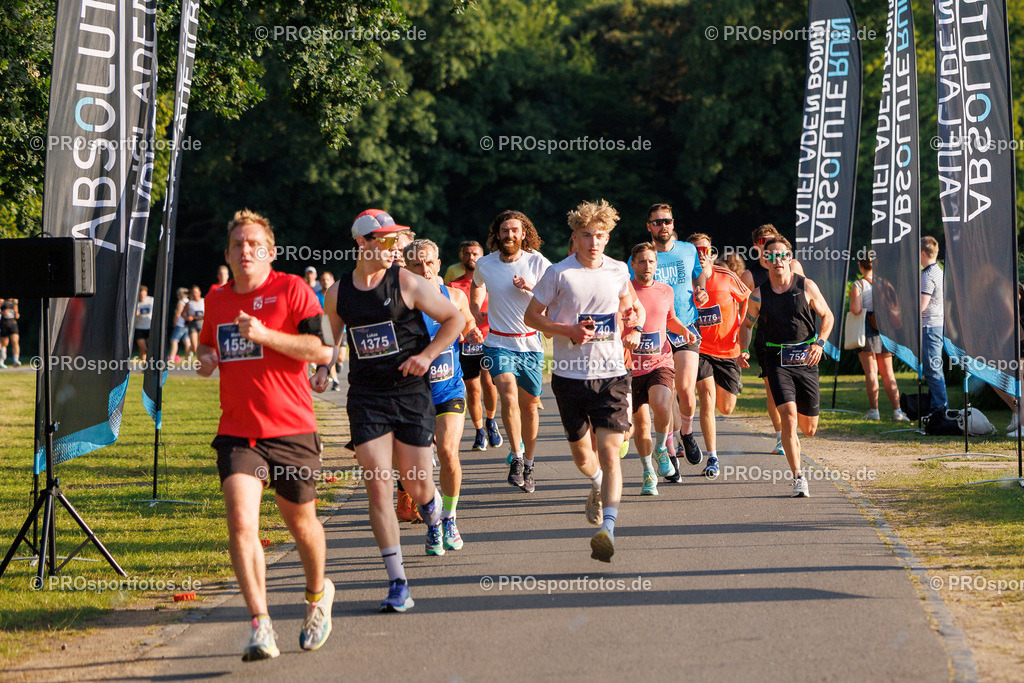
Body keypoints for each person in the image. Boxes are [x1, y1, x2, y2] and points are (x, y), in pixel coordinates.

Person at [196, 209, 336, 661]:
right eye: (238, 244)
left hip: (292, 428)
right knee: (241, 523)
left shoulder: (293, 289)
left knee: (301, 524)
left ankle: (317, 597)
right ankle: (260, 624)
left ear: (270, 252)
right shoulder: (216, 299)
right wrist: (205, 358)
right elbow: (207, 342)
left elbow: (324, 350)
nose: (246, 251)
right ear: (227, 254)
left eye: (255, 244)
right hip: (238, 432)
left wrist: (266, 335)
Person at [313, 209, 463, 612]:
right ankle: (398, 582)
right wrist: (323, 369)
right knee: (378, 484)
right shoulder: (338, 292)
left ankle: (434, 513)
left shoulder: (407, 282)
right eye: (387, 240)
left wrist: (427, 356)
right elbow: (331, 338)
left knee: (416, 484)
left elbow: (455, 318)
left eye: (398, 239)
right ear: (362, 243)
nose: (396, 247)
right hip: (366, 397)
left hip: (410, 393)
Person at [526, 199, 641, 561]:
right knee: (582, 457)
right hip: (569, 377)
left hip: (611, 375)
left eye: (600, 235)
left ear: (608, 238)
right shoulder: (559, 274)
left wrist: (633, 323)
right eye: (587, 235)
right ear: (575, 238)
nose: (594, 242)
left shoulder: (619, 270)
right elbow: (532, 316)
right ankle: (596, 484)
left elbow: (630, 305)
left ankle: (608, 529)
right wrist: (568, 330)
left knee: (610, 453)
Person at [405, 239, 484, 552]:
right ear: (406, 268)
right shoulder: (401, 305)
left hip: (448, 389)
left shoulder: (454, 296)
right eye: (416, 264)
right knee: (416, 469)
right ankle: (433, 519)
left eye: (429, 263)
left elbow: (467, 323)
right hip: (412, 396)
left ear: (438, 264)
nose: (424, 269)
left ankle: (449, 518)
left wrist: (472, 332)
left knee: (449, 452)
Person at [739, 236, 834, 498]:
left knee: (809, 428)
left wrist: (820, 343)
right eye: (771, 256)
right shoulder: (758, 294)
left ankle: (796, 446)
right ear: (765, 260)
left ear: (789, 258)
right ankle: (799, 478)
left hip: (806, 359)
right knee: (788, 418)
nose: (777, 260)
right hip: (776, 360)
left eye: (782, 255)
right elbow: (746, 325)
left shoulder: (806, 286)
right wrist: (744, 349)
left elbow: (827, 315)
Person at [470, 210, 552, 491]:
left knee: (529, 406)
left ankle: (529, 463)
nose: (509, 235)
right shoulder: (485, 263)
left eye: (515, 230)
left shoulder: (538, 262)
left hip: (530, 343)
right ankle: (516, 456)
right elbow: (477, 284)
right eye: (504, 230)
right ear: (497, 234)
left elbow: (556, 295)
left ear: (524, 233)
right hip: (497, 342)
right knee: (507, 394)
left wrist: (530, 287)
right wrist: (475, 307)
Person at [635, 203, 708, 481]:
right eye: (656, 222)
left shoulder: (688, 250)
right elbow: (632, 291)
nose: (662, 226)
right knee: (666, 396)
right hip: (656, 333)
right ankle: (669, 450)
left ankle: (686, 433)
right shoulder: (644, 256)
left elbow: (699, 274)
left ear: (673, 223)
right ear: (649, 227)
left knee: (686, 389)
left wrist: (701, 290)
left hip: (685, 325)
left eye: (666, 221)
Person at [628, 243, 696, 495]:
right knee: (641, 425)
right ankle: (648, 471)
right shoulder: (624, 291)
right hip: (631, 367)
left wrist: (684, 330)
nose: (647, 266)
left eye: (651, 261)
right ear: (633, 264)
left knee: (662, 403)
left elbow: (670, 319)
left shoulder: (665, 290)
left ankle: (660, 449)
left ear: (657, 264)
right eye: (642, 261)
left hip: (660, 362)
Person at [688, 233, 750, 478]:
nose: (701, 255)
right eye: (696, 251)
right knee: (706, 397)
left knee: (726, 408)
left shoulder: (727, 276)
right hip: (699, 348)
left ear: (712, 253)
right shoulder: (685, 281)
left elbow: (747, 298)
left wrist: (741, 326)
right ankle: (712, 457)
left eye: (705, 250)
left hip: (727, 350)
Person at [740, 224, 806, 455]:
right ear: (757, 246)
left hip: (796, 340)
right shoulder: (749, 275)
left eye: (772, 240)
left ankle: (794, 427)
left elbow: (804, 297)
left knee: (798, 390)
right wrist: (742, 345)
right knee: (772, 389)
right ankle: (781, 436)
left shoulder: (793, 266)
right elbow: (743, 312)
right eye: (763, 242)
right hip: (767, 340)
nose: (768, 245)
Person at [448, 240, 502, 451]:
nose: (471, 257)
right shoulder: (453, 286)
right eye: (467, 254)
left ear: (482, 257)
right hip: (466, 342)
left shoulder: (492, 282)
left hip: (490, 339)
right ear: (461, 257)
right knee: (472, 389)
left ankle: (491, 421)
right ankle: (479, 430)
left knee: (488, 383)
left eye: (475, 254)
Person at [848, 258, 910, 422]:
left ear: (860, 265)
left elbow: (855, 309)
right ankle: (897, 411)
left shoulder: (859, 285)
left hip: (867, 329)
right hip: (885, 330)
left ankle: (874, 411)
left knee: (871, 372)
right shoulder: (885, 283)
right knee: (888, 373)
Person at [920, 236, 947, 416]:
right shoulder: (938, 271)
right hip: (936, 325)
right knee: (933, 369)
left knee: (933, 370)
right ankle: (936, 408)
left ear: (923, 253)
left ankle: (940, 410)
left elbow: (921, 306)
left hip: (930, 327)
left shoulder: (928, 276)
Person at [168, 287, 191, 362]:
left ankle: (172, 357)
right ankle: (188, 357)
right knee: (186, 340)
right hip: (186, 324)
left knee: (174, 340)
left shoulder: (181, 302)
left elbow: (178, 313)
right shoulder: (189, 301)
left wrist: (174, 322)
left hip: (180, 323)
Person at [135, 286, 154, 362]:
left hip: (149, 327)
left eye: (143, 294)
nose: (142, 296)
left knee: (151, 347)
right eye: (140, 295)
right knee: (142, 347)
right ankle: (144, 364)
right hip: (139, 327)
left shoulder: (151, 300)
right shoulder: (135, 302)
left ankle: (151, 362)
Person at [0, 297, 21, 368]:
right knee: (5, 343)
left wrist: (17, 314)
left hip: (12, 323)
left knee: (15, 340)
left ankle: (16, 360)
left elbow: (16, 311)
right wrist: (2, 312)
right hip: (4, 323)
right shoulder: (2, 300)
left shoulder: (15, 300)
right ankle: (2, 360)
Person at [185, 285, 205, 359]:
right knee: (194, 346)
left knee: (201, 343)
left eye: (196, 292)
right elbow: (182, 314)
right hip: (193, 324)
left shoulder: (204, 301)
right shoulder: (189, 303)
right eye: (193, 293)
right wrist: (187, 317)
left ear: (199, 292)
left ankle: (200, 359)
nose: (195, 294)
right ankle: (190, 350)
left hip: (202, 323)